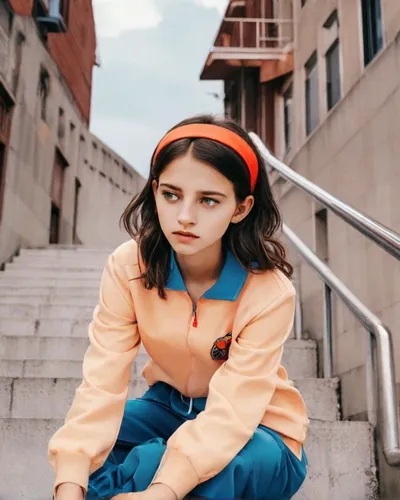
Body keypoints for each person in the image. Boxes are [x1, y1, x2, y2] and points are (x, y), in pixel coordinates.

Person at [48, 114, 309, 500]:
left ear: (240, 207)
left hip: (259, 427)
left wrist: (163, 491)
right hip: (165, 408)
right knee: (86, 460)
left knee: (165, 464)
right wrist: (68, 481)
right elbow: (102, 382)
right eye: (171, 194)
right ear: (155, 192)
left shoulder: (269, 292)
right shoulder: (128, 267)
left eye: (208, 200)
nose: (185, 216)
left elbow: (233, 411)